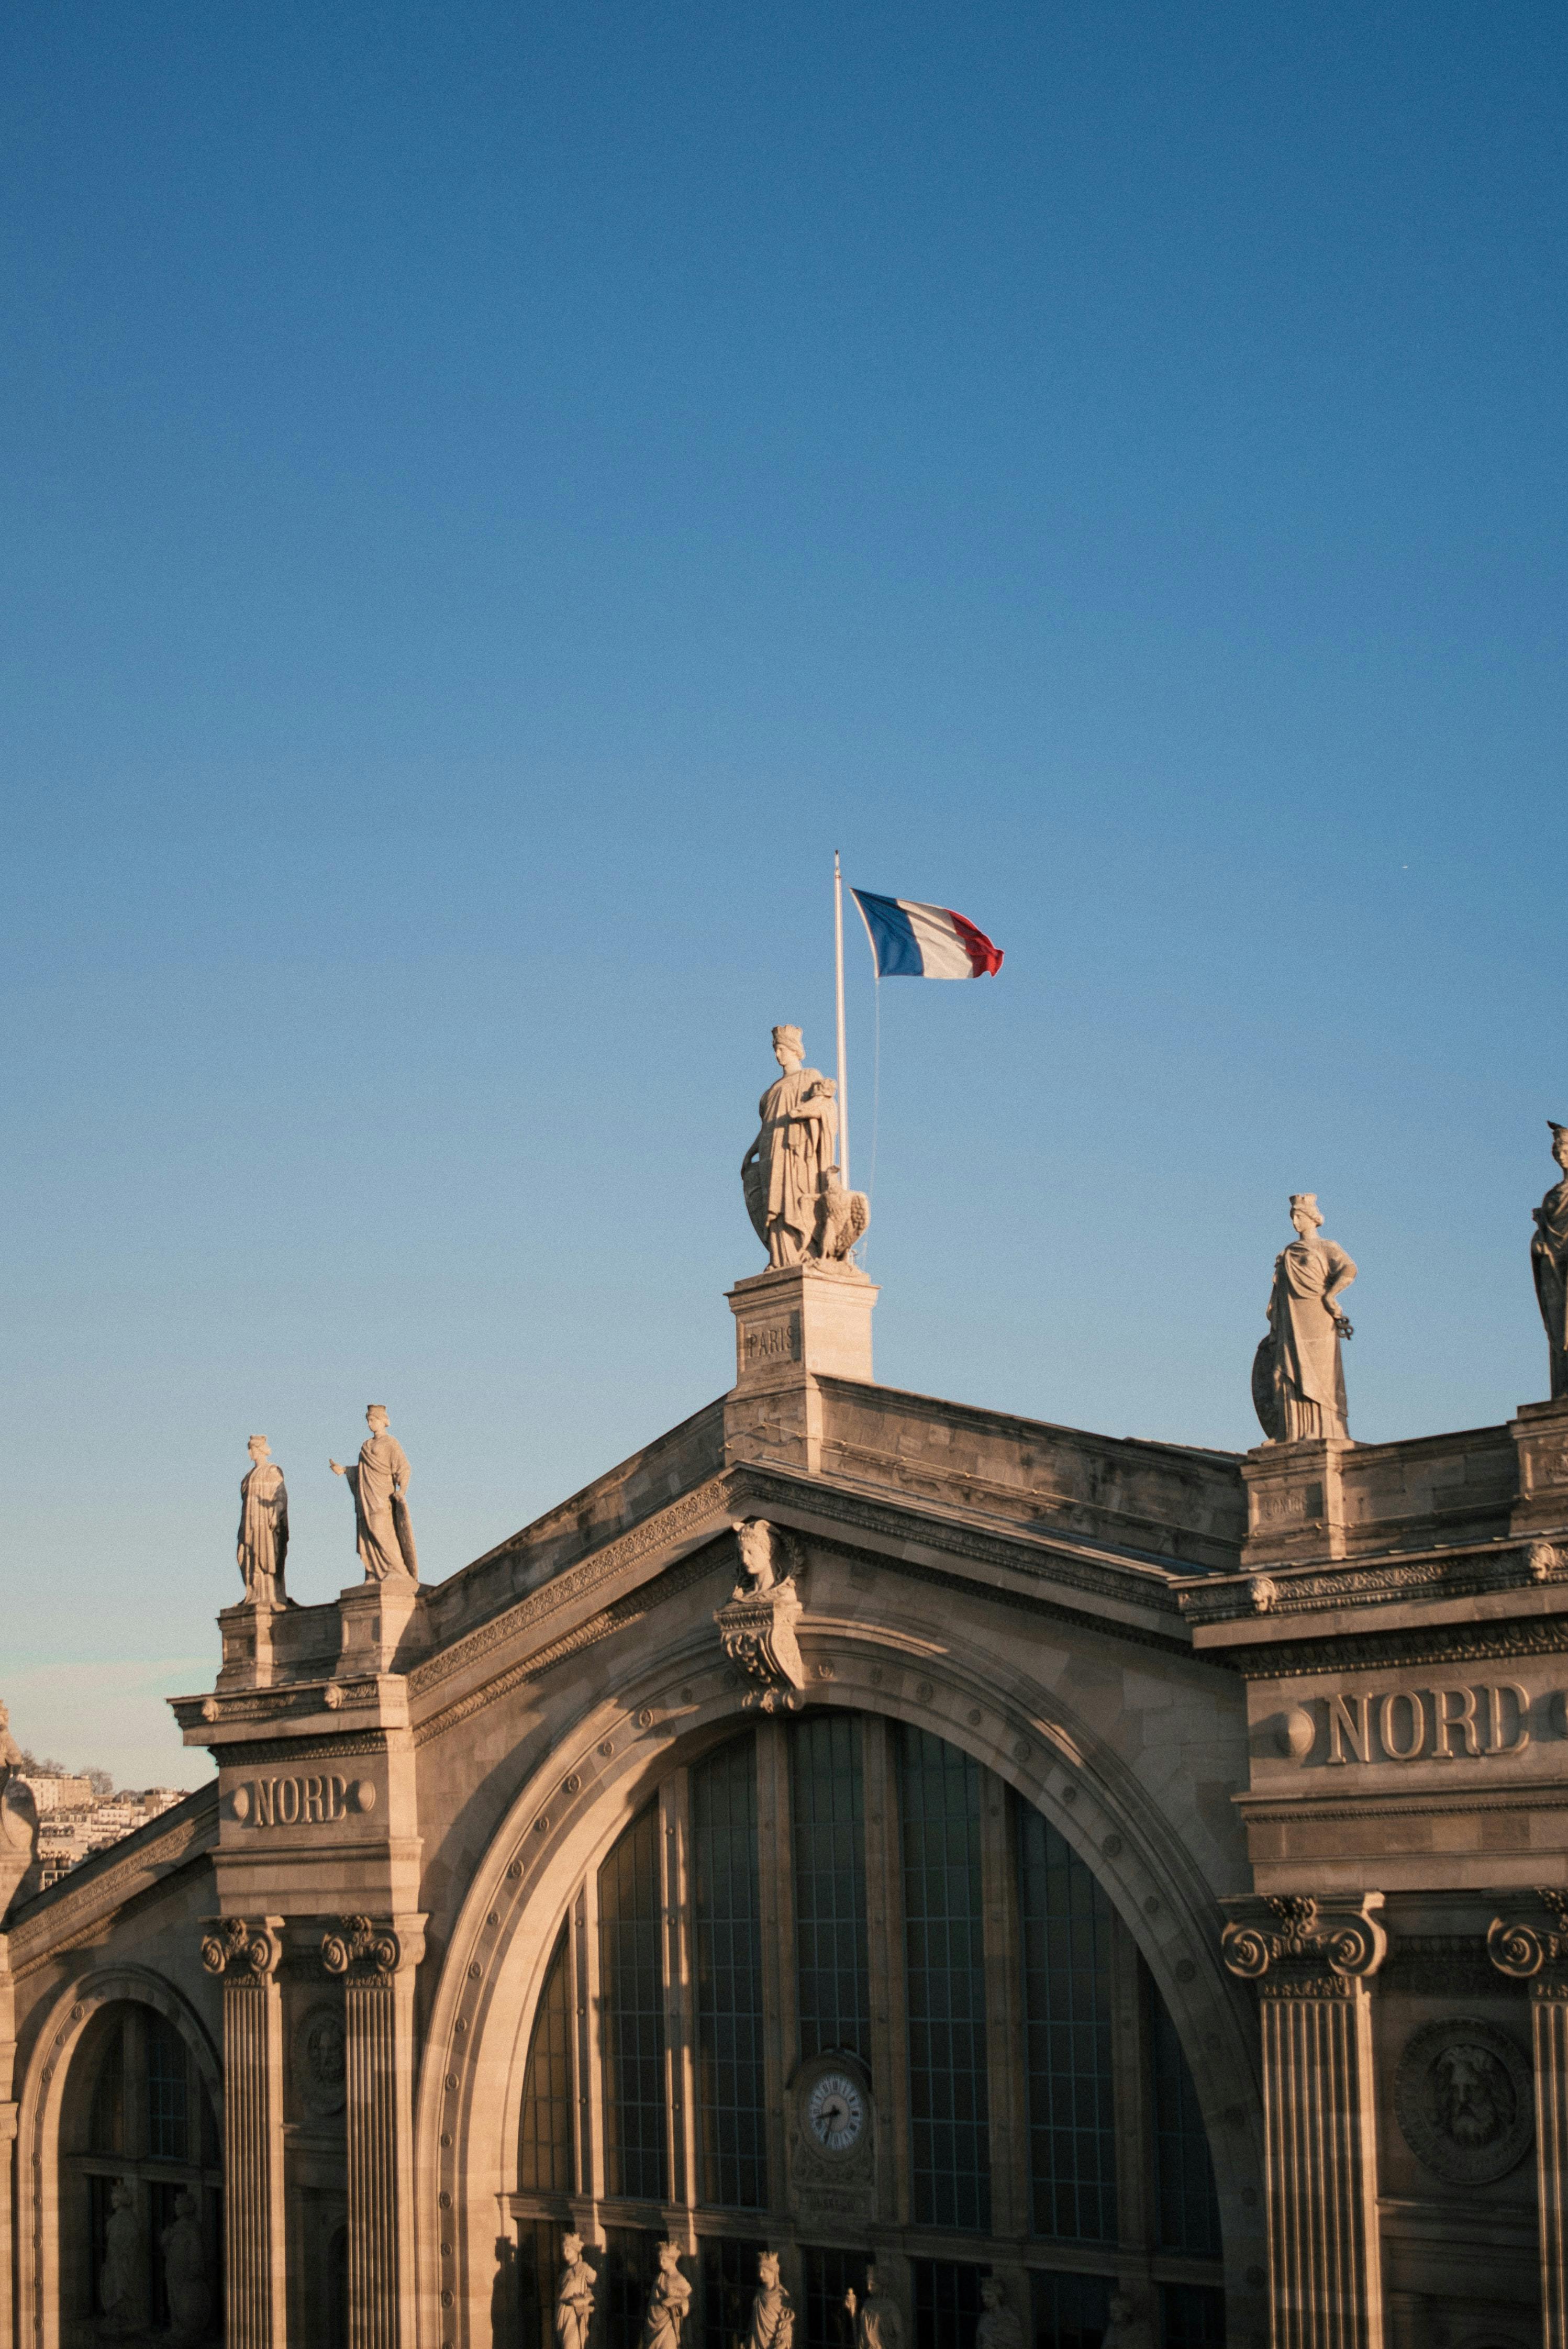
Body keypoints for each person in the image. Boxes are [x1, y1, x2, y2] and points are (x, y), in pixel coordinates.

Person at [1253, 1194, 1357, 1442]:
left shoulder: (1327, 1247)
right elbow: (1278, 1290)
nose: (1295, 1222)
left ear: (1312, 1219)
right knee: (1287, 1371)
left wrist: (1331, 1296)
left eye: (1300, 1216)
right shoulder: (1289, 1252)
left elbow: (1349, 1270)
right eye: (1293, 1217)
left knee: (1318, 1374)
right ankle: (1289, 1431)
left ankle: (1322, 1430)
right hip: (1290, 1316)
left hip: (1317, 1316)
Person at [741, 1027, 839, 1268]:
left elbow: (824, 1105)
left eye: (782, 1049)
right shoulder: (771, 1091)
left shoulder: (809, 1077)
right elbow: (767, 1126)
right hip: (771, 1153)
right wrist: (752, 1151)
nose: (778, 1055)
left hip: (797, 1152)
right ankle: (780, 1255)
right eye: (776, 1049)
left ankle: (804, 1249)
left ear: (795, 1050)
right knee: (773, 1202)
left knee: (794, 1197)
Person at [330, 1406, 418, 1583]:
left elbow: (404, 1467)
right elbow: (362, 1470)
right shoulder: (366, 1445)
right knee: (367, 1532)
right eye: (368, 1420)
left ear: (383, 1420)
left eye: (373, 1420)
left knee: (382, 1529)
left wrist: (403, 1490)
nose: (370, 1424)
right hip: (366, 1495)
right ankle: (373, 1572)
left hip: (382, 1494)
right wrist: (345, 1471)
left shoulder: (391, 1443)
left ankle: (396, 1569)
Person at [1532, 1121, 1568, 1401]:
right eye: (1557, 1147)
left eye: (1564, 1146)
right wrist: (1539, 1243)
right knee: (1558, 1331)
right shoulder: (1554, 1194)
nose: (1559, 1152)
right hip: (1553, 1266)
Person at [237, 1434, 290, 1606]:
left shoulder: (272, 1471)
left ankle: (268, 1595)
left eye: (252, 1449)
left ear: (259, 1450)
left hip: (265, 1525)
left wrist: (275, 1513)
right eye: (249, 1449)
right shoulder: (248, 1476)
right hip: (249, 1525)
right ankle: (253, 1594)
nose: (250, 1453)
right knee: (244, 1557)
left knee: (264, 1557)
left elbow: (280, 1496)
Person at [643, 2242, 693, 2349]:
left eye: (664, 2260)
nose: (661, 2263)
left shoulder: (679, 2279)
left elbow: (689, 2300)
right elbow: (653, 2300)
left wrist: (675, 2301)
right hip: (655, 2322)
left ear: (672, 2261)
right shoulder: (659, 2277)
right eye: (660, 2259)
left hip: (669, 2324)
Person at [555, 2233, 597, 2349]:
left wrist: (586, 2297)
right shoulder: (565, 2271)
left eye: (568, 2250)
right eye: (564, 2250)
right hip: (562, 2310)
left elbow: (597, 2284)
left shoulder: (584, 2268)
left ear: (576, 2251)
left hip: (574, 2312)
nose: (565, 2253)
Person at [747, 2253, 795, 2349]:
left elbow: (786, 2325)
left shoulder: (782, 2296)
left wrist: (782, 2344)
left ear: (773, 2272)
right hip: (756, 2342)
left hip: (772, 2344)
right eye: (760, 2271)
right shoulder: (759, 2293)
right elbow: (754, 2321)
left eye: (764, 2271)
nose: (761, 2274)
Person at [845, 2268, 902, 2349]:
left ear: (882, 2285)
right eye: (868, 2284)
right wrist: (852, 2309)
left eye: (873, 2285)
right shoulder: (867, 2304)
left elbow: (899, 2334)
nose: (869, 2288)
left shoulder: (891, 2307)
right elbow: (862, 2331)